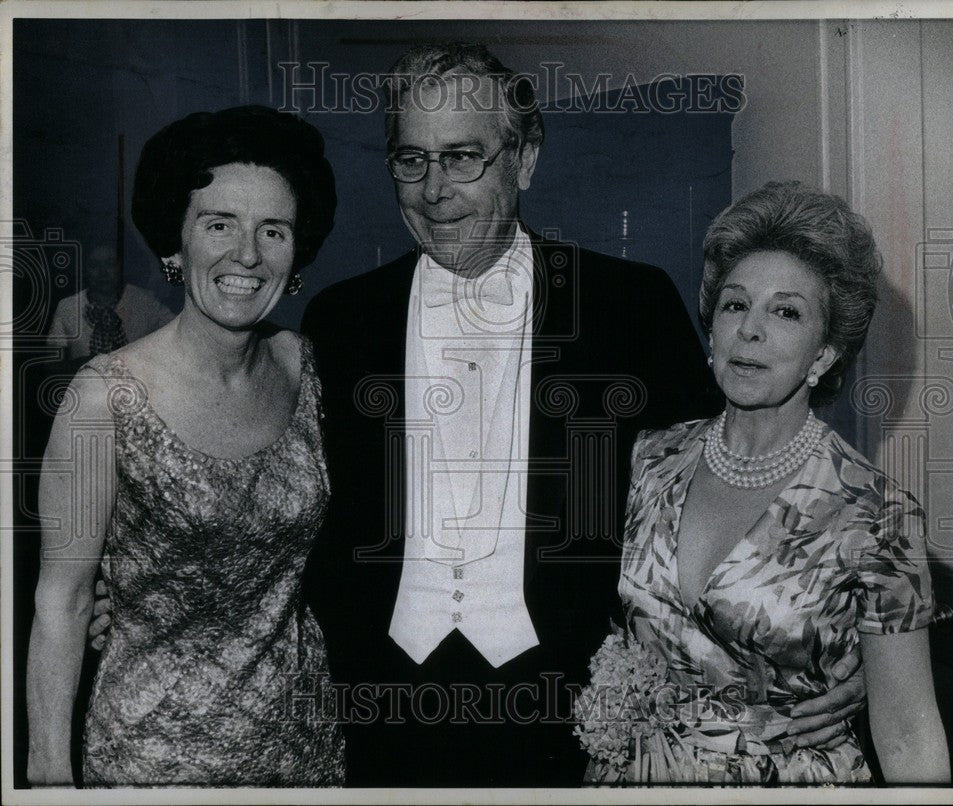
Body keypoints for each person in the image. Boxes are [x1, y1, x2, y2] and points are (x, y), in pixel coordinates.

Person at [299, 44, 864, 787]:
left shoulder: (627, 306)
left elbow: (733, 481)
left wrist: (837, 639)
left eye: (464, 156)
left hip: (578, 723)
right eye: (411, 160)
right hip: (382, 716)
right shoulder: (340, 322)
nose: (434, 190)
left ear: (525, 158)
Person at [27, 105, 343, 787]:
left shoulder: (309, 367)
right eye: (219, 224)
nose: (246, 254)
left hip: (306, 754)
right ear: (177, 242)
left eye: (273, 230)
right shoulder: (101, 397)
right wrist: (48, 780)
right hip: (151, 765)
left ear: (297, 254)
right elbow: (63, 602)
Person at [605, 180, 950, 783]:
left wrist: (868, 664)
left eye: (786, 311)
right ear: (711, 329)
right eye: (736, 304)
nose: (750, 330)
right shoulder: (651, 458)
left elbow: (910, 730)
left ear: (824, 355)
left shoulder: (877, 513)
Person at [46, 242, 174, 360]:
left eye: (110, 263)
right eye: (94, 265)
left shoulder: (145, 302)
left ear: (121, 267)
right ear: (85, 270)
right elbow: (52, 364)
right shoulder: (68, 307)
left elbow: (177, 332)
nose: (103, 272)